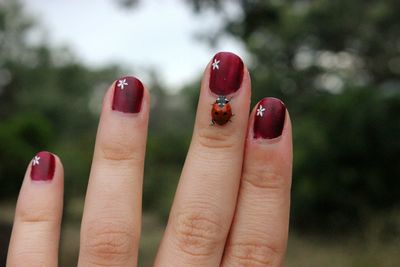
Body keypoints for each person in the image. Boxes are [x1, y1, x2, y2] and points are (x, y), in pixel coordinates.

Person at [6, 52, 292, 266]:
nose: (220, 106)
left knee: (200, 237)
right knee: (115, 245)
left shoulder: (221, 109)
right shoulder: (222, 110)